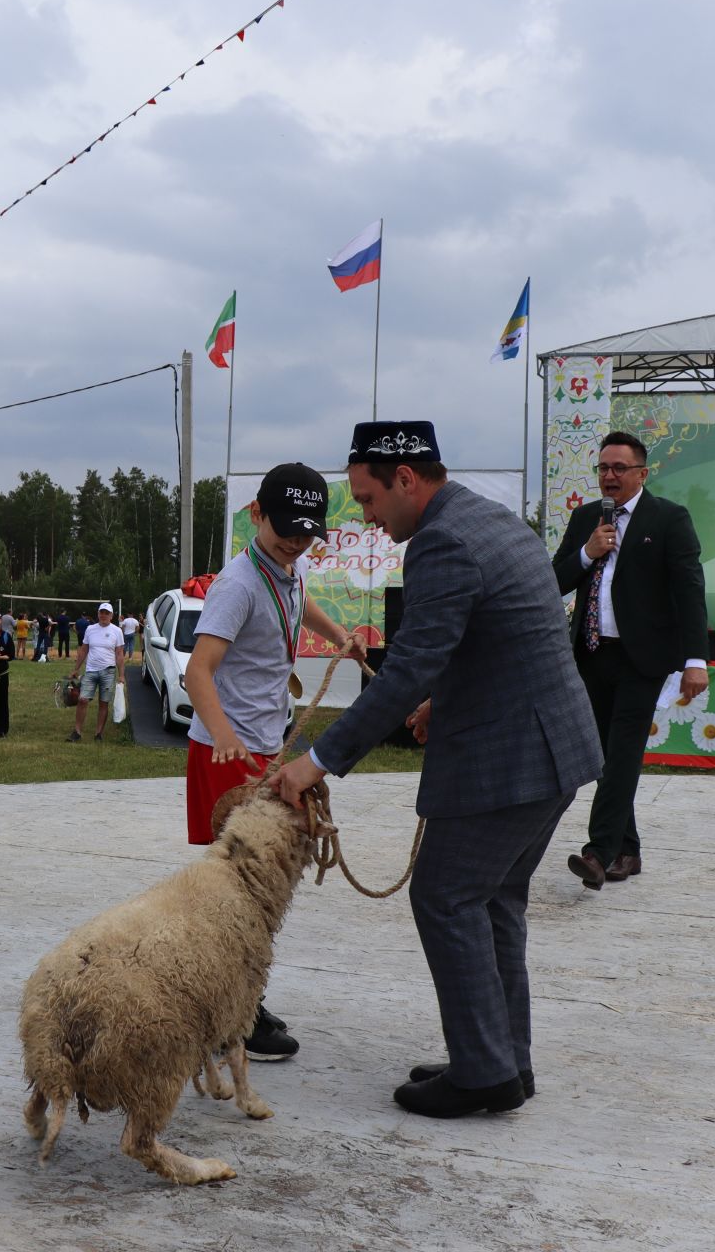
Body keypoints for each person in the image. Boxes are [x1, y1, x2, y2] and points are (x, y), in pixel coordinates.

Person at [274, 420, 603, 1119]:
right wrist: (437, 701)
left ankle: (484, 1073)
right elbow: (490, 641)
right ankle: (504, 1059)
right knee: (493, 902)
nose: (365, 515)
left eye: (366, 499)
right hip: (556, 750)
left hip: (509, 761)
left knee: (447, 897)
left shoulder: (441, 544)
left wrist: (318, 761)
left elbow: (406, 669)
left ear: (406, 479)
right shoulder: (490, 520)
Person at [183, 462, 367, 1061]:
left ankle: (233, 1002)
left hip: (266, 747)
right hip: (229, 753)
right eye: (285, 527)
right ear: (256, 514)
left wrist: (339, 634)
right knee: (239, 890)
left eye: (307, 532)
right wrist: (224, 736)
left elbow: (300, 602)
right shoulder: (237, 585)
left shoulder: (286, 568)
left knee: (260, 887)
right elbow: (198, 670)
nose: (295, 540)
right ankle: (232, 1014)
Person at [551, 430, 709, 890]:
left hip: (643, 660)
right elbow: (553, 580)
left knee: (621, 756)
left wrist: (695, 660)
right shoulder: (586, 519)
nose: (609, 476)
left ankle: (597, 853)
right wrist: (587, 552)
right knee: (604, 758)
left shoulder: (668, 519)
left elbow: (689, 592)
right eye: (603, 468)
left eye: (619, 468)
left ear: (642, 472)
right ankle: (628, 850)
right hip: (591, 655)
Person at [66, 603, 125, 742]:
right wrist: (76, 669)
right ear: (98, 614)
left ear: (111, 615)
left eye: (106, 613)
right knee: (82, 700)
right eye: (101, 612)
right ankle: (77, 732)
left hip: (108, 672)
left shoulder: (117, 631)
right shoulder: (90, 629)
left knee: (104, 703)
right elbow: (84, 650)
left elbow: (119, 654)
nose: (103, 615)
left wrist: (121, 675)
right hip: (91, 670)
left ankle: (98, 734)